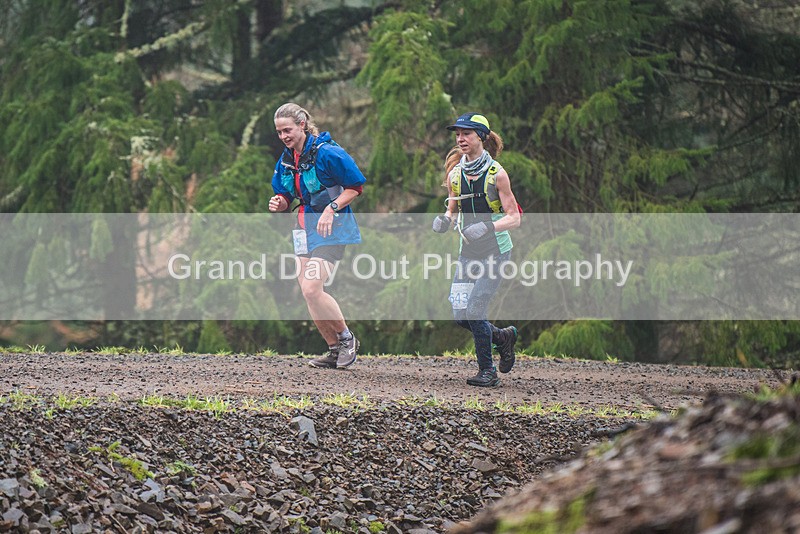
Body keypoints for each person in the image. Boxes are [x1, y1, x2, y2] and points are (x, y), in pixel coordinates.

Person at [268, 102, 365, 369]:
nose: (283, 136)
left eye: (287, 130)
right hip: (303, 229)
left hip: (332, 229)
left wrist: (331, 208)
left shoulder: (329, 153)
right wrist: (279, 202)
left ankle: (347, 338)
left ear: (302, 125)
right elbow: (286, 195)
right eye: (279, 132)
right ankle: (333, 349)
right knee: (308, 292)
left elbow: (355, 187)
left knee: (312, 287)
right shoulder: (287, 159)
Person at [432, 112, 521, 387]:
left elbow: (515, 218)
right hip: (468, 253)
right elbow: (452, 211)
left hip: (496, 251)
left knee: (475, 309)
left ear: (481, 136)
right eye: (458, 134)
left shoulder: (498, 175)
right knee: (461, 315)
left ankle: (487, 371)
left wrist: (488, 227)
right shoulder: (455, 175)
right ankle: (503, 337)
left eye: (466, 133)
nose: (460, 139)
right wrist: (444, 221)